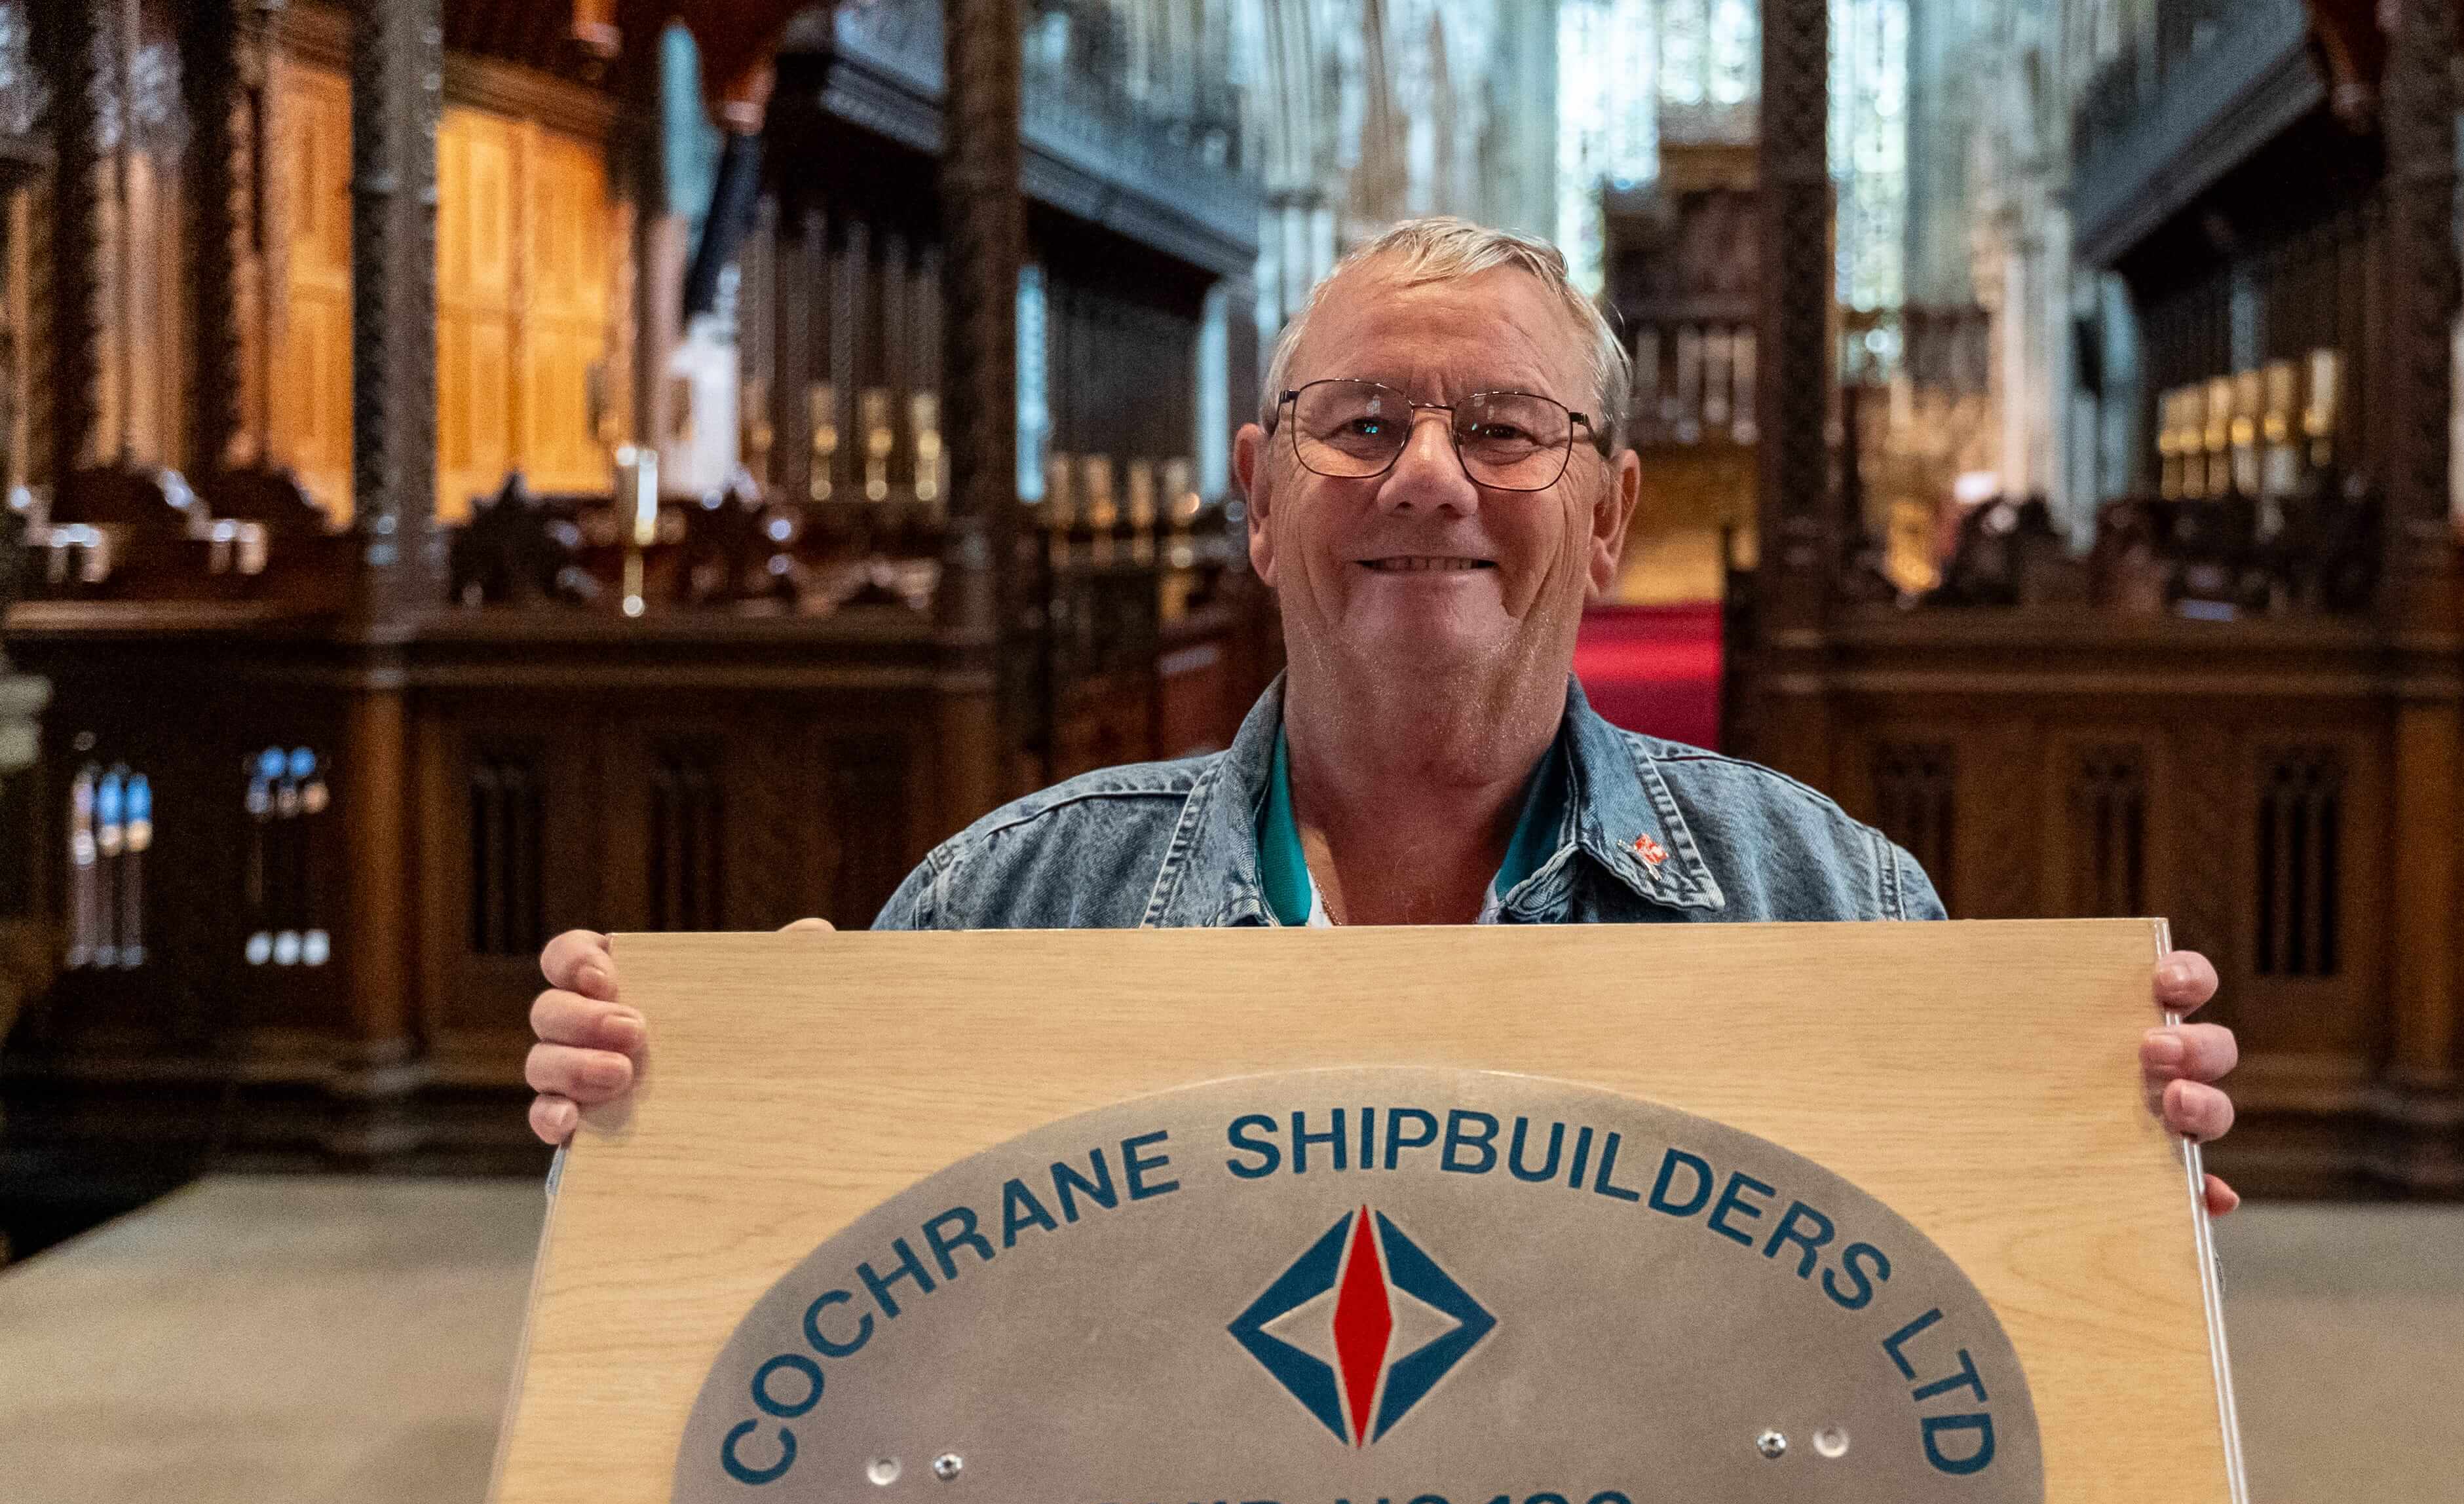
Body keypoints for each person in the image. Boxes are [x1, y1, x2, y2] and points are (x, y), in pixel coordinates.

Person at [527, 217, 2239, 1207]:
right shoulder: (1006, 905)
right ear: (1263, 499)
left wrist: (2094, 1186)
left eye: (1503, 427)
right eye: (1362, 425)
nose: (1427, 478)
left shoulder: (1836, 910)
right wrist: (688, 1111)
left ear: (1614, 512)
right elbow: (834, 1377)